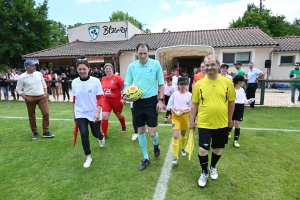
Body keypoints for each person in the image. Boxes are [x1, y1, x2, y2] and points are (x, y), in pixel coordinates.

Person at [189, 54, 235, 188]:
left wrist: (230, 118)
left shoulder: (227, 83)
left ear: (218, 66)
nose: (209, 67)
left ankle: (213, 167)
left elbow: (231, 102)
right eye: (207, 65)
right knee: (203, 149)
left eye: (212, 65)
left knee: (218, 148)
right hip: (204, 123)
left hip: (221, 122)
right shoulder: (199, 84)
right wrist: (192, 120)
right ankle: (204, 172)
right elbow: (194, 104)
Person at [123, 42, 165, 171]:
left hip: (152, 101)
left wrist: (161, 100)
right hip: (137, 102)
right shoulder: (132, 66)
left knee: (152, 133)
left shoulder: (155, 64)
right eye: (140, 53)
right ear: (136, 52)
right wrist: (124, 96)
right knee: (140, 130)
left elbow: (162, 84)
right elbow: (127, 85)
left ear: (148, 52)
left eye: (145, 53)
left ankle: (156, 144)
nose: (142, 56)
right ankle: (146, 158)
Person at [72, 55, 105, 168]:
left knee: (96, 133)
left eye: (84, 69)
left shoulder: (95, 81)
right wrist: (75, 114)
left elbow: (100, 97)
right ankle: (88, 157)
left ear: (88, 69)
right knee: (84, 134)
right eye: (80, 69)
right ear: (77, 70)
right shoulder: (75, 82)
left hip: (94, 112)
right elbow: (75, 99)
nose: (82, 71)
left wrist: (97, 112)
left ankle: (101, 137)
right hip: (81, 112)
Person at [16, 60, 54, 139]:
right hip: (30, 98)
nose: (34, 67)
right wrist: (26, 97)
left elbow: (44, 84)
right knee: (32, 116)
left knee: (46, 113)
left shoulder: (38, 74)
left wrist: (45, 94)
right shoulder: (22, 77)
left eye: (34, 65)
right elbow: (18, 89)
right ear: (27, 67)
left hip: (42, 96)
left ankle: (46, 132)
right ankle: (35, 132)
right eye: (32, 65)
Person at [166, 77, 191, 165]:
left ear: (187, 85)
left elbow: (191, 108)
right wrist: (175, 112)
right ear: (178, 85)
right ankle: (175, 156)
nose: (183, 86)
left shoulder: (189, 95)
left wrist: (183, 112)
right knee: (176, 136)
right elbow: (170, 106)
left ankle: (183, 148)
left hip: (185, 116)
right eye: (181, 84)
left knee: (183, 134)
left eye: (184, 84)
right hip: (175, 117)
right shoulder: (175, 94)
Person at [101, 63, 127, 138]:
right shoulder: (103, 79)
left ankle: (124, 126)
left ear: (112, 69)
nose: (108, 70)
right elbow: (100, 90)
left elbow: (123, 88)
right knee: (104, 116)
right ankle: (104, 135)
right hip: (106, 100)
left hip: (117, 101)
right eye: (106, 68)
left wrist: (123, 98)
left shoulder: (118, 78)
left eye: (109, 68)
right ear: (104, 70)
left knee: (119, 115)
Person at [228, 75, 252, 147]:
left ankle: (236, 140)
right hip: (232, 106)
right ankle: (228, 132)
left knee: (237, 124)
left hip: (240, 107)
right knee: (231, 123)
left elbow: (244, 99)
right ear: (239, 82)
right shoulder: (231, 89)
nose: (244, 82)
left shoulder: (242, 90)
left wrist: (248, 101)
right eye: (243, 81)